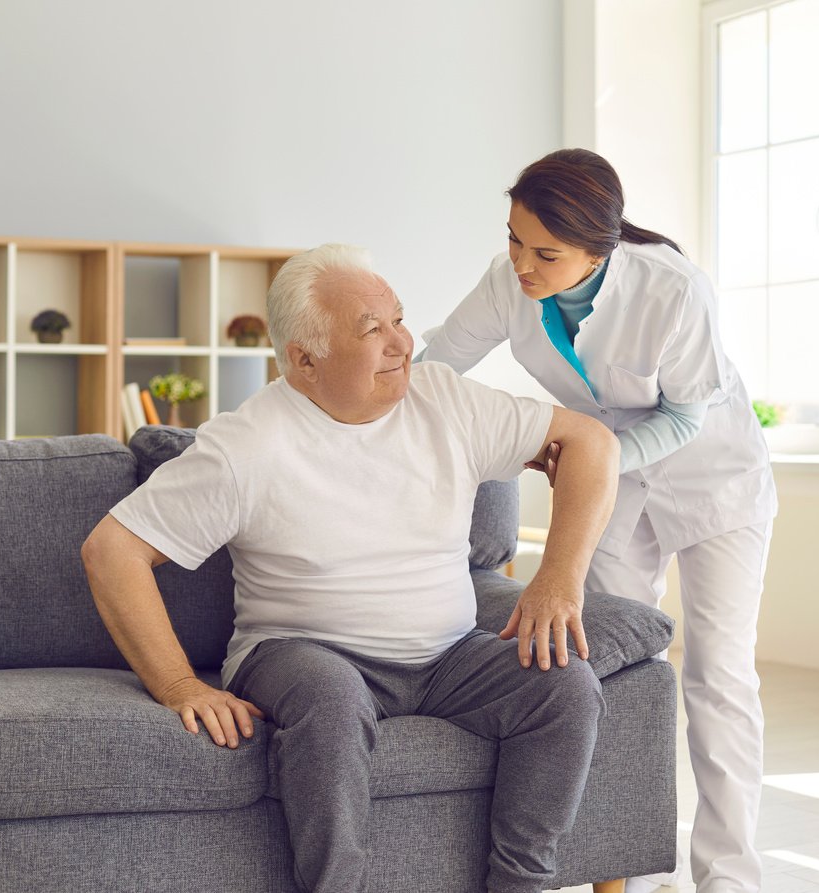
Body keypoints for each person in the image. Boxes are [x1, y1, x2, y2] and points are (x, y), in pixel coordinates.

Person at [80, 243, 621, 893]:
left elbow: (590, 441)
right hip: (300, 652)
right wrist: (177, 683)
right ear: (304, 360)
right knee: (331, 695)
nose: (401, 342)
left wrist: (556, 578)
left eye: (398, 318)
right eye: (372, 329)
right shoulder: (248, 443)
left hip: (449, 657)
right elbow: (113, 549)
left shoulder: (443, 399)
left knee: (562, 683)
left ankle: (518, 885)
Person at [419, 149, 777, 893]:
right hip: (616, 484)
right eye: (513, 239)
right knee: (612, 666)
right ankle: (630, 864)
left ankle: (729, 877)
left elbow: (684, 411)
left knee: (719, 675)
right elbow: (437, 366)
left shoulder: (672, 289)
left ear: (598, 249)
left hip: (717, 480)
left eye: (544, 252)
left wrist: (596, 457)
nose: (522, 263)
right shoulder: (507, 280)